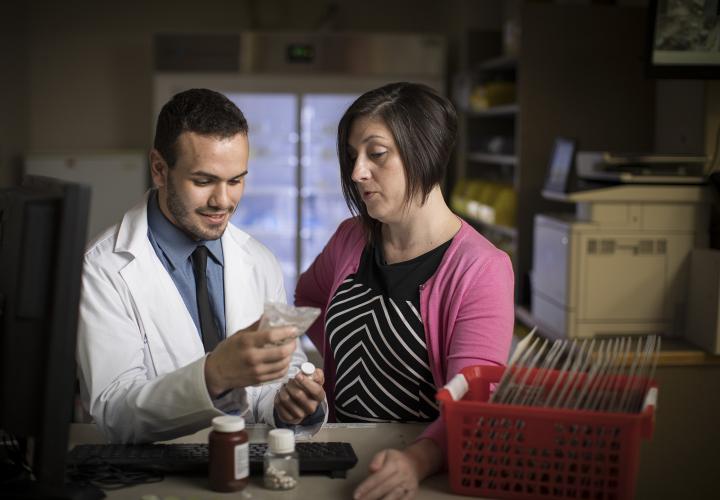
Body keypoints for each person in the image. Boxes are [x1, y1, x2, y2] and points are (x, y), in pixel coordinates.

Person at [295, 82, 514, 499]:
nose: (358, 172)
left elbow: (471, 407)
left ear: (426, 151)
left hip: (424, 472)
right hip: (342, 454)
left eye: (376, 154)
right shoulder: (351, 237)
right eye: (353, 156)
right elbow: (307, 299)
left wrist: (416, 461)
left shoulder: (481, 269)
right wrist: (338, 368)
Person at [76, 88, 326, 444]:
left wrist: (289, 402)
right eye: (204, 181)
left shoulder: (260, 261)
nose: (222, 201)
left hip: (244, 467)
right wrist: (214, 375)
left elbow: (277, 376)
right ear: (160, 170)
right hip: (159, 475)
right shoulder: (103, 268)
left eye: (236, 180)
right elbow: (113, 413)